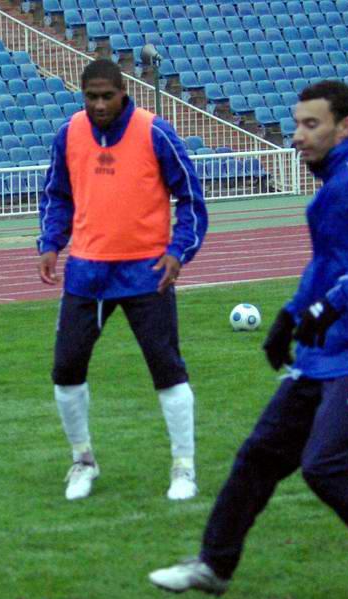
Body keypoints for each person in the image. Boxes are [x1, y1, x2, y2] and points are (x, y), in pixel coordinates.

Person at [149, 81, 348, 599]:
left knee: (325, 464)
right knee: (260, 454)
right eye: (296, 124)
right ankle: (214, 565)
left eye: (311, 125)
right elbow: (327, 265)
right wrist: (290, 314)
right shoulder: (330, 190)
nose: (297, 136)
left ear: (345, 127)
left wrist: (330, 306)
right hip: (331, 353)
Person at [37, 58, 208, 502]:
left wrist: (178, 252)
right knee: (65, 370)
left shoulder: (155, 132)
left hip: (146, 273)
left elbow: (191, 197)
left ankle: (184, 467)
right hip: (86, 273)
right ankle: (82, 459)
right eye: (90, 96)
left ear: (123, 93)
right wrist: (51, 242)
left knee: (167, 370)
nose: (98, 105)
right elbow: (57, 195)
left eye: (106, 96)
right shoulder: (69, 134)